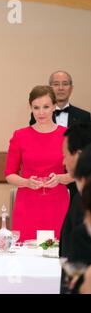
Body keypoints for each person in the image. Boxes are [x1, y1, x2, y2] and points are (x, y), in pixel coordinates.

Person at [5, 86, 72, 242]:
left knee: (57, 253)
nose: (41, 112)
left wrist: (60, 178)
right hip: (27, 204)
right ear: (31, 108)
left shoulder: (67, 135)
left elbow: (77, 172)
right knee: (25, 256)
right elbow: (9, 174)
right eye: (36, 107)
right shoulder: (20, 135)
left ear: (54, 106)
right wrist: (26, 182)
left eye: (46, 107)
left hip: (57, 204)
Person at [60, 124, 91, 293]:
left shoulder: (85, 204)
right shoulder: (79, 197)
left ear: (79, 155)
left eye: (65, 155)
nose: (63, 162)